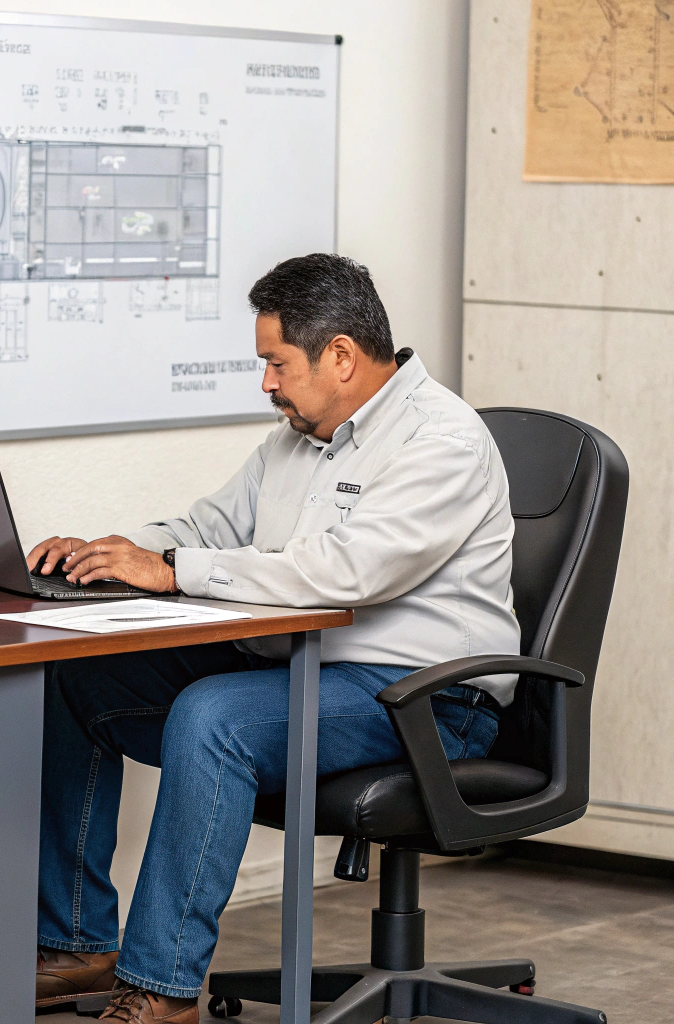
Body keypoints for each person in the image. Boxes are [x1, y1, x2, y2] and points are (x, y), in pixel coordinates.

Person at [27, 253, 521, 1024]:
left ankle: (160, 988)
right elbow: (206, 529)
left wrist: (173, 568)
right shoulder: (296, 441)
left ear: (342, 357)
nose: (266, 383)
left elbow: (343, 574)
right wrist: (112, 553)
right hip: (302, 668)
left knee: (214, 716)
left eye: (276, 363)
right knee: (76, 673)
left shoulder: (442, 442)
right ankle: (76, 945)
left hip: (425, 697)